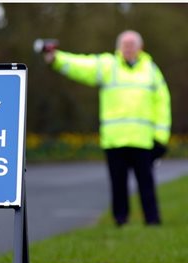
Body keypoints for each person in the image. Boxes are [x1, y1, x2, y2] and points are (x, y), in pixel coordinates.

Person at [42, 30, 172, 226]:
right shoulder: (108, 65)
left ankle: (152, 221)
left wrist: (161, 138)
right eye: (124, 45)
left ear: (140, 48)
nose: (128, 49)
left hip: (143, 140)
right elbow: (81, 65)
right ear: (118, 47)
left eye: (131, 45)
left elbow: (162, 103)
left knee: (146, 184)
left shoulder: (151, 70)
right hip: (114, 140)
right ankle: (120, 221)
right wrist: (56, 59)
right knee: (118, 185)